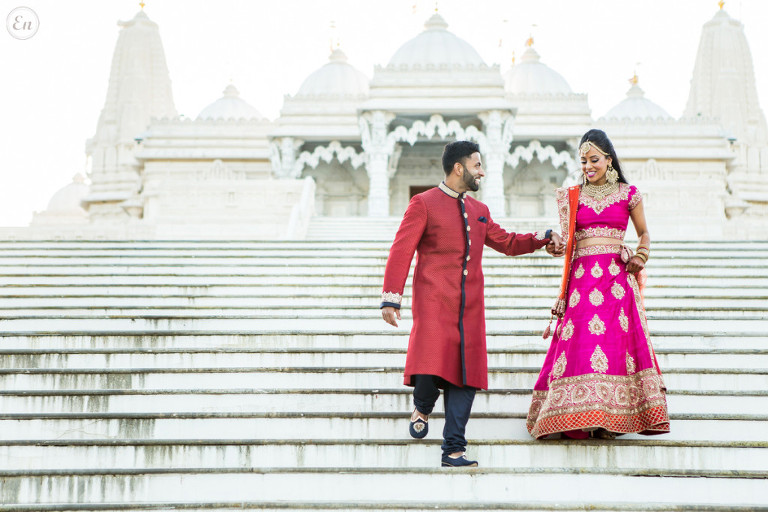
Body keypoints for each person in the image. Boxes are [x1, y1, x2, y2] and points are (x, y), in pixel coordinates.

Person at [381, 140, 563, 467]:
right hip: (434, 302)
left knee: (465, 376)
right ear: (459, 168)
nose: (483, 172)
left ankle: (454, 449)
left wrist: (542, 237)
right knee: (429, 363)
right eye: (478, 165)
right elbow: (402, 248)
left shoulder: (479, 212)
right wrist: (390, 297)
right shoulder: (424, 203)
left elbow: (507, 242)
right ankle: (422, 406)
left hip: (470, 310)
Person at [527, 129, 670, 440]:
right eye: (583, 161)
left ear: (608, 159)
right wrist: (555, 247)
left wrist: (641, 255)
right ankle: (578, 416)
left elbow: (644, 232)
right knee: (582, 346)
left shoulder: (628, 194)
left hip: (617, 281)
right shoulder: (572, 196)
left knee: (613, 346)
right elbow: (567, 243)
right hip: (581, 283)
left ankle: (612, 420)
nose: (588, 166)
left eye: (593, 160)